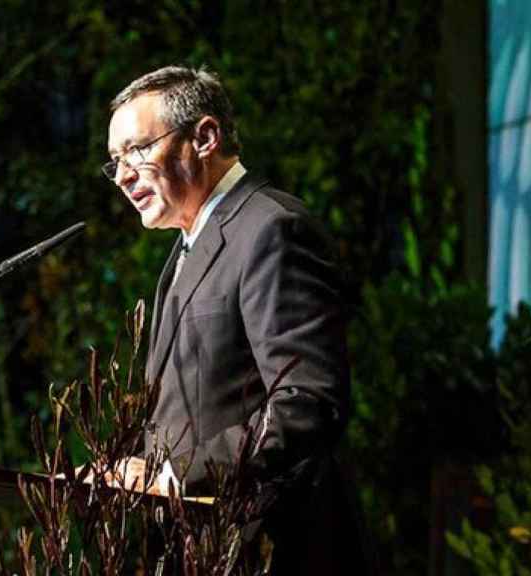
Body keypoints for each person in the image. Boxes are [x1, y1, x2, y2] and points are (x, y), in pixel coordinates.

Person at [103, 65, 367, 573]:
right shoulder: (191, 244)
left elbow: (308, 402)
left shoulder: (271, 229)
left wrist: (176, 475)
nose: (122, 175)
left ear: (204, 137)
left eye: (136, 150)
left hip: (271, 544)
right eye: (114, 161)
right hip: (205, 544)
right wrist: (124, 471)